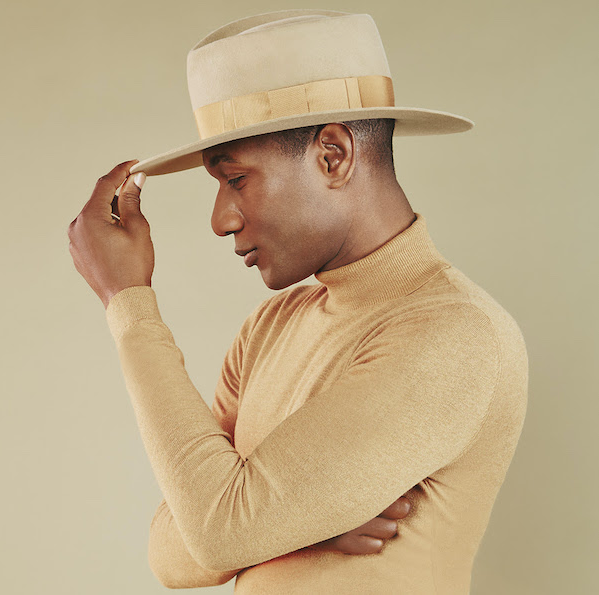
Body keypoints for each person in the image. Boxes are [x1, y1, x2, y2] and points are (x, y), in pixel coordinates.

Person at [67, 10, 528, 593]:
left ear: (333, 155)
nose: (220, 219)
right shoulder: (269, 328)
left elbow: (217, 531)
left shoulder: (455, 332)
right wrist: (301, 525)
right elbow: (169, 555)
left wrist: (127, 302)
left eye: (236, 179)